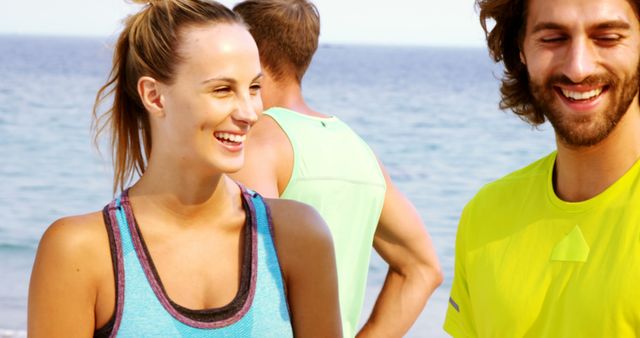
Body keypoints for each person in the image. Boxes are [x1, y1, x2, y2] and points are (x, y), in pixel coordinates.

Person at [27, 1, 342, 337]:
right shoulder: (80, 252)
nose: (249, 112)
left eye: (253, 88)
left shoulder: (296, 236)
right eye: (222, 90)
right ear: (154, 96)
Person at [231, 1, 443, 337]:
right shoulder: (359, 148)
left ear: (249, 50)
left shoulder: (255, 142)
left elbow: (254, 276)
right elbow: (423, 268)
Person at [444, 0, 640, 336]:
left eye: (607, 37)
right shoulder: (485, 214)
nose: (578, 68)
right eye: (552, 39)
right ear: (521, 49)